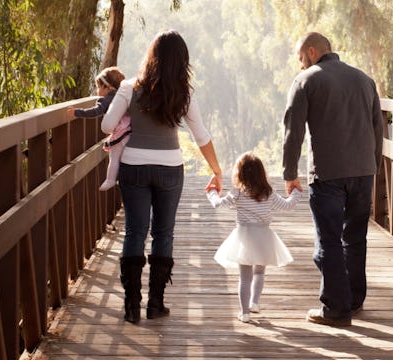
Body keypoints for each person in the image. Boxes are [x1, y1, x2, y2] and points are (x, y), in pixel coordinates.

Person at [102, 30, 223, 324]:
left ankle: (131, 306)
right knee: (164, 233)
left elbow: (107, 125)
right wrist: (217, 171)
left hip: (133, 167)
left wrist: (129, 118)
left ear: (151, 56)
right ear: (182, 61)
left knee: (135, 231)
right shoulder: (184, 93)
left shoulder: (130, 87)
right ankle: (156, 303)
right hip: (170, 168)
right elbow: (201, 136)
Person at [282, 32, 384, 327]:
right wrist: (373, 167)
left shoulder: (306, 80)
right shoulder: (365, 80)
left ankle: (336, 310)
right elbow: (378, 130)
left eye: (301, 58)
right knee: (354, 237)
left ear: (312, 52)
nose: (300, 65)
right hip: (363, 172)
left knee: (327, 240)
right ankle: (353, 299)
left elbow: (293, 133)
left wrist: (290, 174)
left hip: (328, 173)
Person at [206, 152, 301, 323]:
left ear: (240, 173)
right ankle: (255, 303)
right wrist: (296, 192)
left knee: (245, 277)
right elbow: (287, 205)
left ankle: (244, 313)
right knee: (259, 272)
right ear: (261, 173)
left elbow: (219, 204)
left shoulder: (238, 192)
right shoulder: (268, 192)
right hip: (264, 236)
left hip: (244, 237)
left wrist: (212, 191)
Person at [67, 66, 130, 191]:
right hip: (130, 131)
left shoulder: (106, 100)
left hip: (120, 133)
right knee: (126, 159)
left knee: (114, 157)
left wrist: (77, 112)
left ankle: (110, 180)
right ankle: (124, 179)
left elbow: (96, 111)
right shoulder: (123, 96)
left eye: (98, 87)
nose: (97, 90)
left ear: (108, 87)